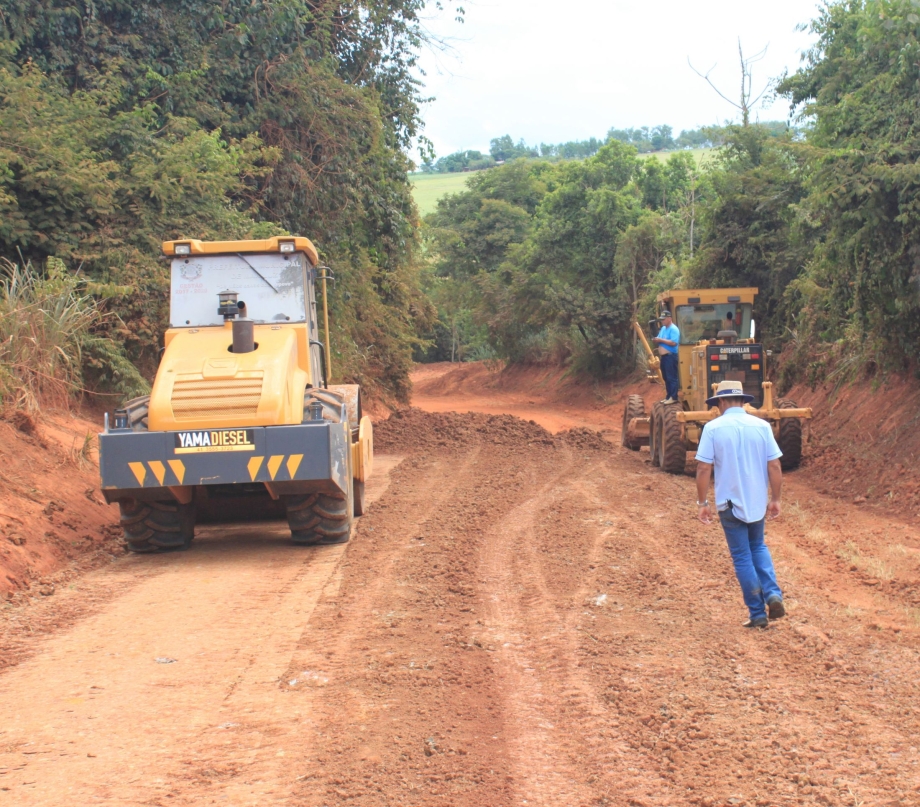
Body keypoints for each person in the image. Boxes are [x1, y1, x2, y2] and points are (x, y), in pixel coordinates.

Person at [694, 380, 785, 629]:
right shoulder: (762, 426)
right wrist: (775, 499)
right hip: (757, 502)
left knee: (742, 555)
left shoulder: (713, 428)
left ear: (722, 402)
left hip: (730, 504)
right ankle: (773, 593)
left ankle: (757, 613)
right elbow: (775, 465)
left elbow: (703, 467)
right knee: (758, 546)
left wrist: (702, 502)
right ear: (743, 401)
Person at [652, 310, 680, 404]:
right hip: (664, 357)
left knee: (672, 377)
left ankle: (673, 397)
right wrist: (656, 340)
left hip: (671, 356)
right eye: (661, 319)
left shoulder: (674, 329)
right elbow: (660, 338)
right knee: (666, 377)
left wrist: (660, 340)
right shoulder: (663, 328)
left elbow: (673, 342)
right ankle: (668, 396)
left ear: (669, 318)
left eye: (664, 319)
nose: (662, 321)